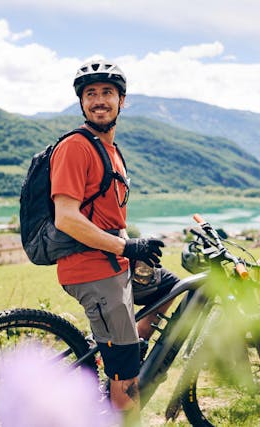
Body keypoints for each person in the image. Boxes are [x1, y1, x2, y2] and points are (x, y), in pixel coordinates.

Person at [51, 59, 176, 424]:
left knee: (170, 288)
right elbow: (67, 218)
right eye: (91, 94)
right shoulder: (76, 147)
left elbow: (108, 216)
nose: (99, 100)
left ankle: (128, 345)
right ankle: (123, 375)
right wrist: (127, 248)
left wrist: (133, 247)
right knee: (126, 374)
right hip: (92, 271)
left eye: (108, 93)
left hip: (115, 262)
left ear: (123, 101)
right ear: (81, 103)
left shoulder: (111, 151)